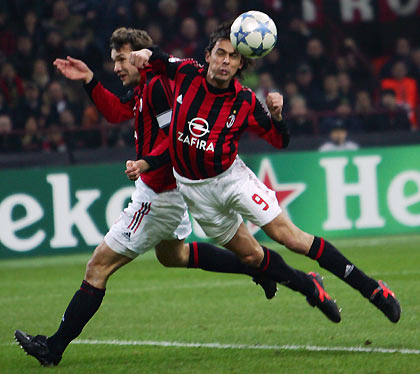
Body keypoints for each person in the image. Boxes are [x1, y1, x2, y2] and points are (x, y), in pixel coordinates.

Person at [14, 27, 278, 368]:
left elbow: (177, 138)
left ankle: (53, 348)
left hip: (159, 195)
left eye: (122, 59)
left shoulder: (158, 88)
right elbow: (116, 113)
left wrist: (146, 161)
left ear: (141, 56)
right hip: (170, 191)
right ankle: (257, 266)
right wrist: (90, 80)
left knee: (97, 267)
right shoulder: (143, 89)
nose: (118, 67)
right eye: (114, 61)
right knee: (175, 256)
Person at [129, 21, 401, 327]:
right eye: (221, 53)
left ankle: (372, 289)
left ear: (241, 63)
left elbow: (279, 140)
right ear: (208, 55)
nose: (226, 61)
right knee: (252, 258)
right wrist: (142, 52)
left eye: (233, 57)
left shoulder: (244, 101)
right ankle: (309, 286)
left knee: (291, 238)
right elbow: (158, 55)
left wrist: (277, 115)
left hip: (232, 180)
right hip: (194, 191)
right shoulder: (185, 72)